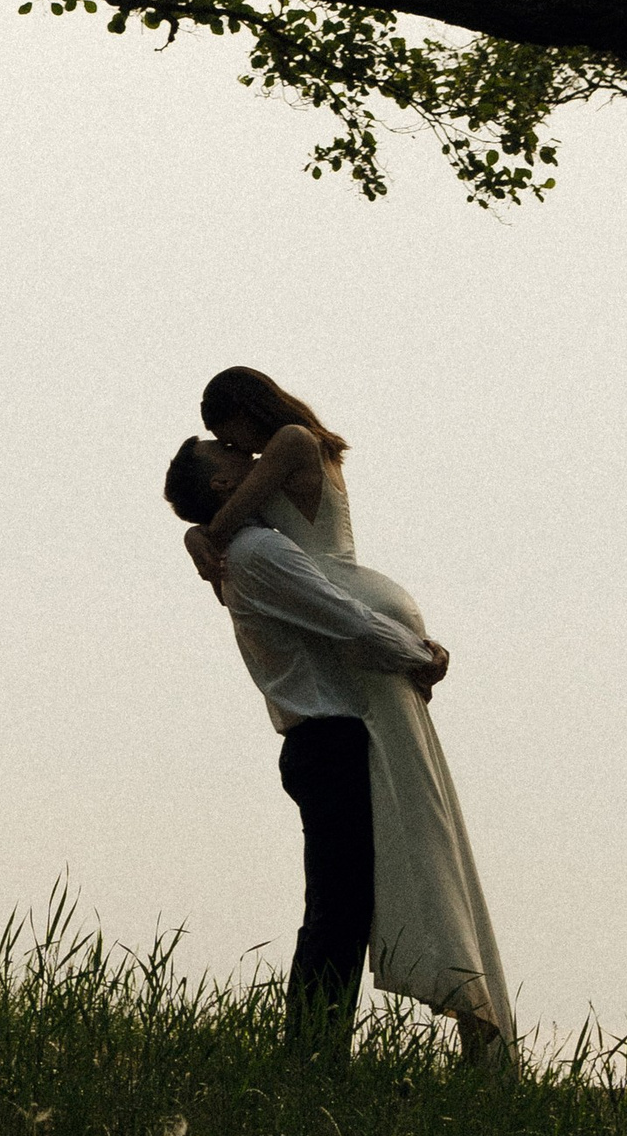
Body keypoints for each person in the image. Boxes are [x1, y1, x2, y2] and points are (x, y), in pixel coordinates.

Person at [165, 365, 513, 1062]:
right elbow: (337, 614)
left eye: (226, 436)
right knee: (344, 901)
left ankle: (347, 1046)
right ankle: (315, 1054)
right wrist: (414, 653)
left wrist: (200, 540)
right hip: (333, 729)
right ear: (223, 486)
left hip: (351, 713)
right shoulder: (260, 549)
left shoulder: (276, 502)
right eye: (224, 454)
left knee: (369, 885)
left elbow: (332, 606)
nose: (236, 452)